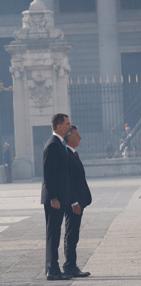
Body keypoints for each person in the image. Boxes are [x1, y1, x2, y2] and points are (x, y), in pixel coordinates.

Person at [41, 113, 72, 281]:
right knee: (53, 234)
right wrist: (53, 197)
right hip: (54, 199)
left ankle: (53, 267)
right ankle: (52, 269)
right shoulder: (52, 145)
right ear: (59, 125)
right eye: (67, 123)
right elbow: (48, 174)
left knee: (54, 233)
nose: (69, 126)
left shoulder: (59, 143)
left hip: (59, 197)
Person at [63, 125, 92, 278]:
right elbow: (68, 181)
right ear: (69, 137)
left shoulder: (73, 153)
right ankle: (69, 266)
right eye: (76, 135)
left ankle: (71, 265)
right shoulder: (67, 154)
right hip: (74, 204)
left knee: (74, 234)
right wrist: (74, 202)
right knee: (71, 234)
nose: (79, 137)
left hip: (79, 202)